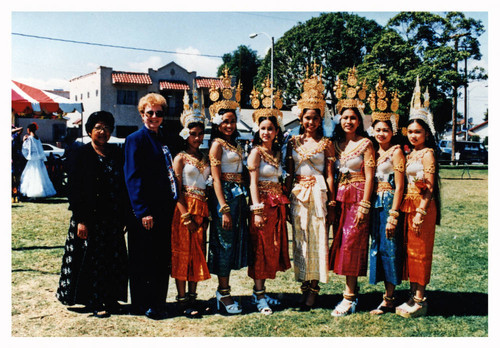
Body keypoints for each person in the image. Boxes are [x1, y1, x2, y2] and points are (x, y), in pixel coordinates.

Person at [56, 111, 129, 318]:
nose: (103, 131)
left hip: (112, 219)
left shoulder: (116, 154)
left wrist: (123, 216)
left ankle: (111, 298)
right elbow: (74, 190)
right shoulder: (80, 155)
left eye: (106, 128)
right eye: (98, 127)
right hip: (89, 219)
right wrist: (81, 220)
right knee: (93, 261)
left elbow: (122, 187)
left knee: (113, 260)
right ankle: (95, 300)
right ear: (89, 132)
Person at [284, 64, 336, 311]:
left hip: (318, 194)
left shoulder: (327, 143)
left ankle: (314, 290)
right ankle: (303, 286)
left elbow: (329, 173)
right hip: (297, 194)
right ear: (301, 118)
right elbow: (289, 172)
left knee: (316, 240)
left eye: (316, 117)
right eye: (307, 117)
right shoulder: (292, 142)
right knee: (300, 239)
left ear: (320, 118)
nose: (311, 122)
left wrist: (332, 201)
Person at [124, 93, 177, 320]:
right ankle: (142, 303)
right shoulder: (135, 139)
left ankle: (158, 301)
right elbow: (132, 177)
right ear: (142, 114)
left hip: (164, 210)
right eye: (149, 113)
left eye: (158, 113)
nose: (154, 117)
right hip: (145, 211)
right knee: (143, 258)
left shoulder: (164, 138)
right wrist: (142, 211)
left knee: (160, 259)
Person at [329, 67, 376, 316]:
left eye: (353, 118)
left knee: (352, 243)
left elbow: (370, 177)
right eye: (345, 117)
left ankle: (350, 297)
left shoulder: (366, 144)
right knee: (341, 244)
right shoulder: (335, 144)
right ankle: (348, 293)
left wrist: (365, 205)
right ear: (340, 120)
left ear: (359, 120)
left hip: (358, 198)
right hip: (340, 198)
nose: (349, 121)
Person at [396, 78, 441, 318]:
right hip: (407, 204)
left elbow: (430, 187)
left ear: (426, 132)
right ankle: (413, 295)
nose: (414, 136)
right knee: (410, 251)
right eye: (410, 132)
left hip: (421, 206)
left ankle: (420, 299)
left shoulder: (427, 154)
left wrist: (421, 212)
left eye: (418, 132)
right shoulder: (410, 152)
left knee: (421, 251)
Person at [246, 80, 291, 315]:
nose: (266, 132)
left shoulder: (276, 153)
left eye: (270, 128)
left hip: (276, 205)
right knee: (260, 248)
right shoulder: (255, 152)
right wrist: (257, 210)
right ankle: (259, 295)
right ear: (257, 130)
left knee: (271, 247)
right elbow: (253, 182)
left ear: (276, 131)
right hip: (262, 205)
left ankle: (261, 292)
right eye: (262, 128)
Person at [207, 67, 248, 315]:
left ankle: (226, 290)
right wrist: (222, 207)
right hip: (225, 198)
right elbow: (215, 179)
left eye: (232, 121)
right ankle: (223, 293)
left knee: (233, 243)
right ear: (218, 123)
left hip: (239, 196)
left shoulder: (236, 143)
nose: (229, 125)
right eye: (225, 122)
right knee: (223, 242)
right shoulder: (216, 145)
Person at [366, 79, 405, 315]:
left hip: (389, 202)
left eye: (386, 130)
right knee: (377, 246)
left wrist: (393, 214)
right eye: (378, 129)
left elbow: (399, 185)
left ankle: (390, 298)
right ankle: (384, 295)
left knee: (390, 246)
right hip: (374, 204)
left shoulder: (396, 151)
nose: (381, 133)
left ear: (393, 131)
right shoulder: (372, 148)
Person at [171, 89, 211, 319]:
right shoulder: (180, 158)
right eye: (193, 134)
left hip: (201, 210)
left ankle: (194, 297)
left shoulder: (205, 159)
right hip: (184, 210)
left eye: (200, 133)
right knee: (182, 252)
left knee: (198, 252)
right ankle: (181, 299)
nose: (197, 138)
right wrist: (185, 215)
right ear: (186, 135)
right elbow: (176, 190)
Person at [19, 123, 57, 199]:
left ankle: (34, 192)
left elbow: (25, 149)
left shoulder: (29, 139)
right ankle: (42, 191)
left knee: (32, 176)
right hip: (39, 160)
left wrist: (23, 141)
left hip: (33, 160)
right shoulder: (37, 138)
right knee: (41, 176)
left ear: (28, 130)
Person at [12, 125, 25, 203]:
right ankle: (13, 195)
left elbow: (21, 129)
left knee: (17, 179)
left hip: (16, 159)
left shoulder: (15, 136)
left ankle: (17, 195)